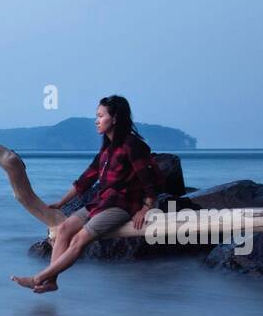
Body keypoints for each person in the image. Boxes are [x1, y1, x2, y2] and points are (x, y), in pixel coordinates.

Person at [12, 95, 164, 294]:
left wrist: (146, 207)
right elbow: (86, 179)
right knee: (64, 228)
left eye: (100, 116)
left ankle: (39, 277)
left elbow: (149, 180)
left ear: (115, 118)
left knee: (79, 240)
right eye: (96, 116)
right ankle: (51, 281)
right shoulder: (107, 149)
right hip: (101, 203)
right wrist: (61, 202)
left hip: (122, 205)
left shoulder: (133, 146)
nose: (96, 120)